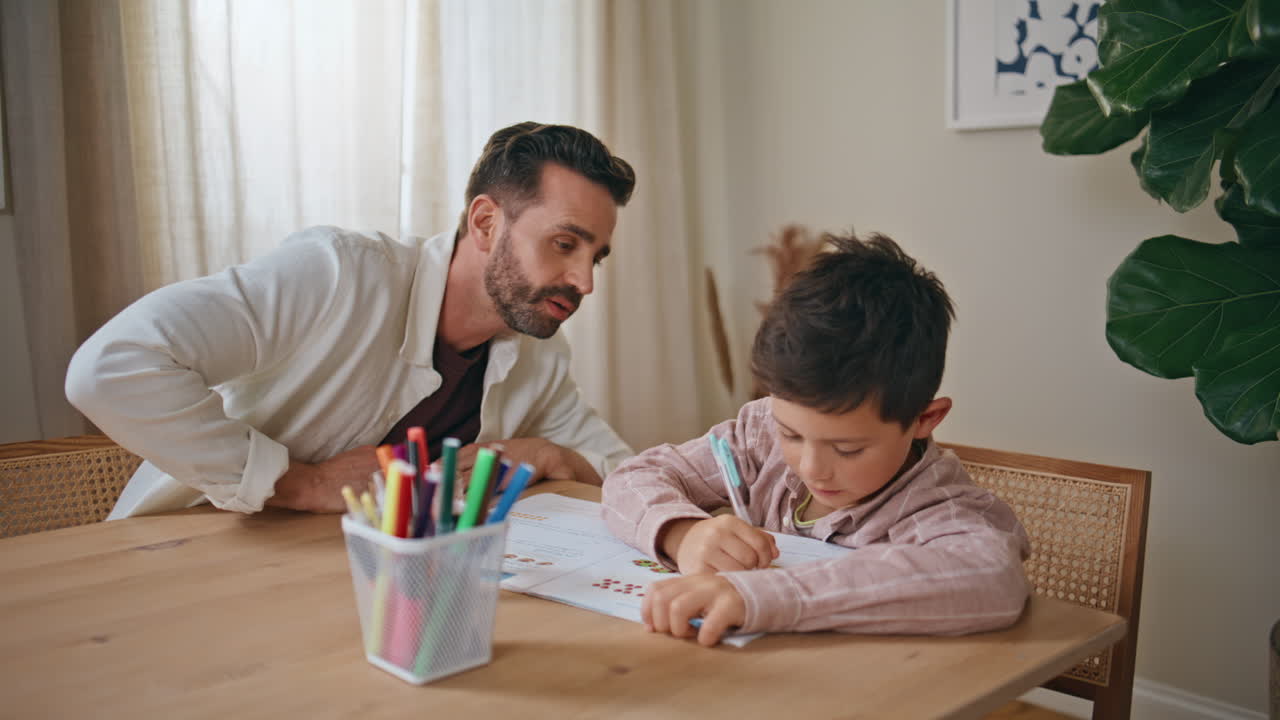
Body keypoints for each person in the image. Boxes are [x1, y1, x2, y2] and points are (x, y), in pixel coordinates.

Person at [66, 121, 637, 518]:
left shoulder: (540, 355)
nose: (585, 282)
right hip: (194, 558)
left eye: (596, 258)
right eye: (564, 244)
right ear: (486, 223)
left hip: (358, 592)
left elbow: (629, 474)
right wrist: (302, 484)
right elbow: (111, 366)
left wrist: (552, 456)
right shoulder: (336, 273)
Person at [601, 231, 1030, 647]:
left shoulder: (937, 508)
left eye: (847, 448)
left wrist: (761, 596)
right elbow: (634, 476)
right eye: (792, 433)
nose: (810, 467)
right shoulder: (759, 436)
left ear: (924, 419)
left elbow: (991, 577)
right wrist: (683, 533)